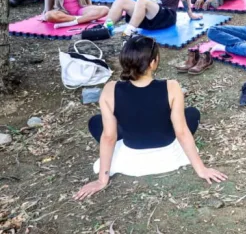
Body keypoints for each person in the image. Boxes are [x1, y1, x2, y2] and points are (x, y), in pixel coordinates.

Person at [73, 36, 227, 200]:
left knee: (96, 122)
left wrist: (101, 180)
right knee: (192, 114)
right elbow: (181, 132)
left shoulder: (110, 89)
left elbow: (109, 137)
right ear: (153, 62)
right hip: (169, 153)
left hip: (131, 154)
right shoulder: (172, 86)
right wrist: (201, 169)